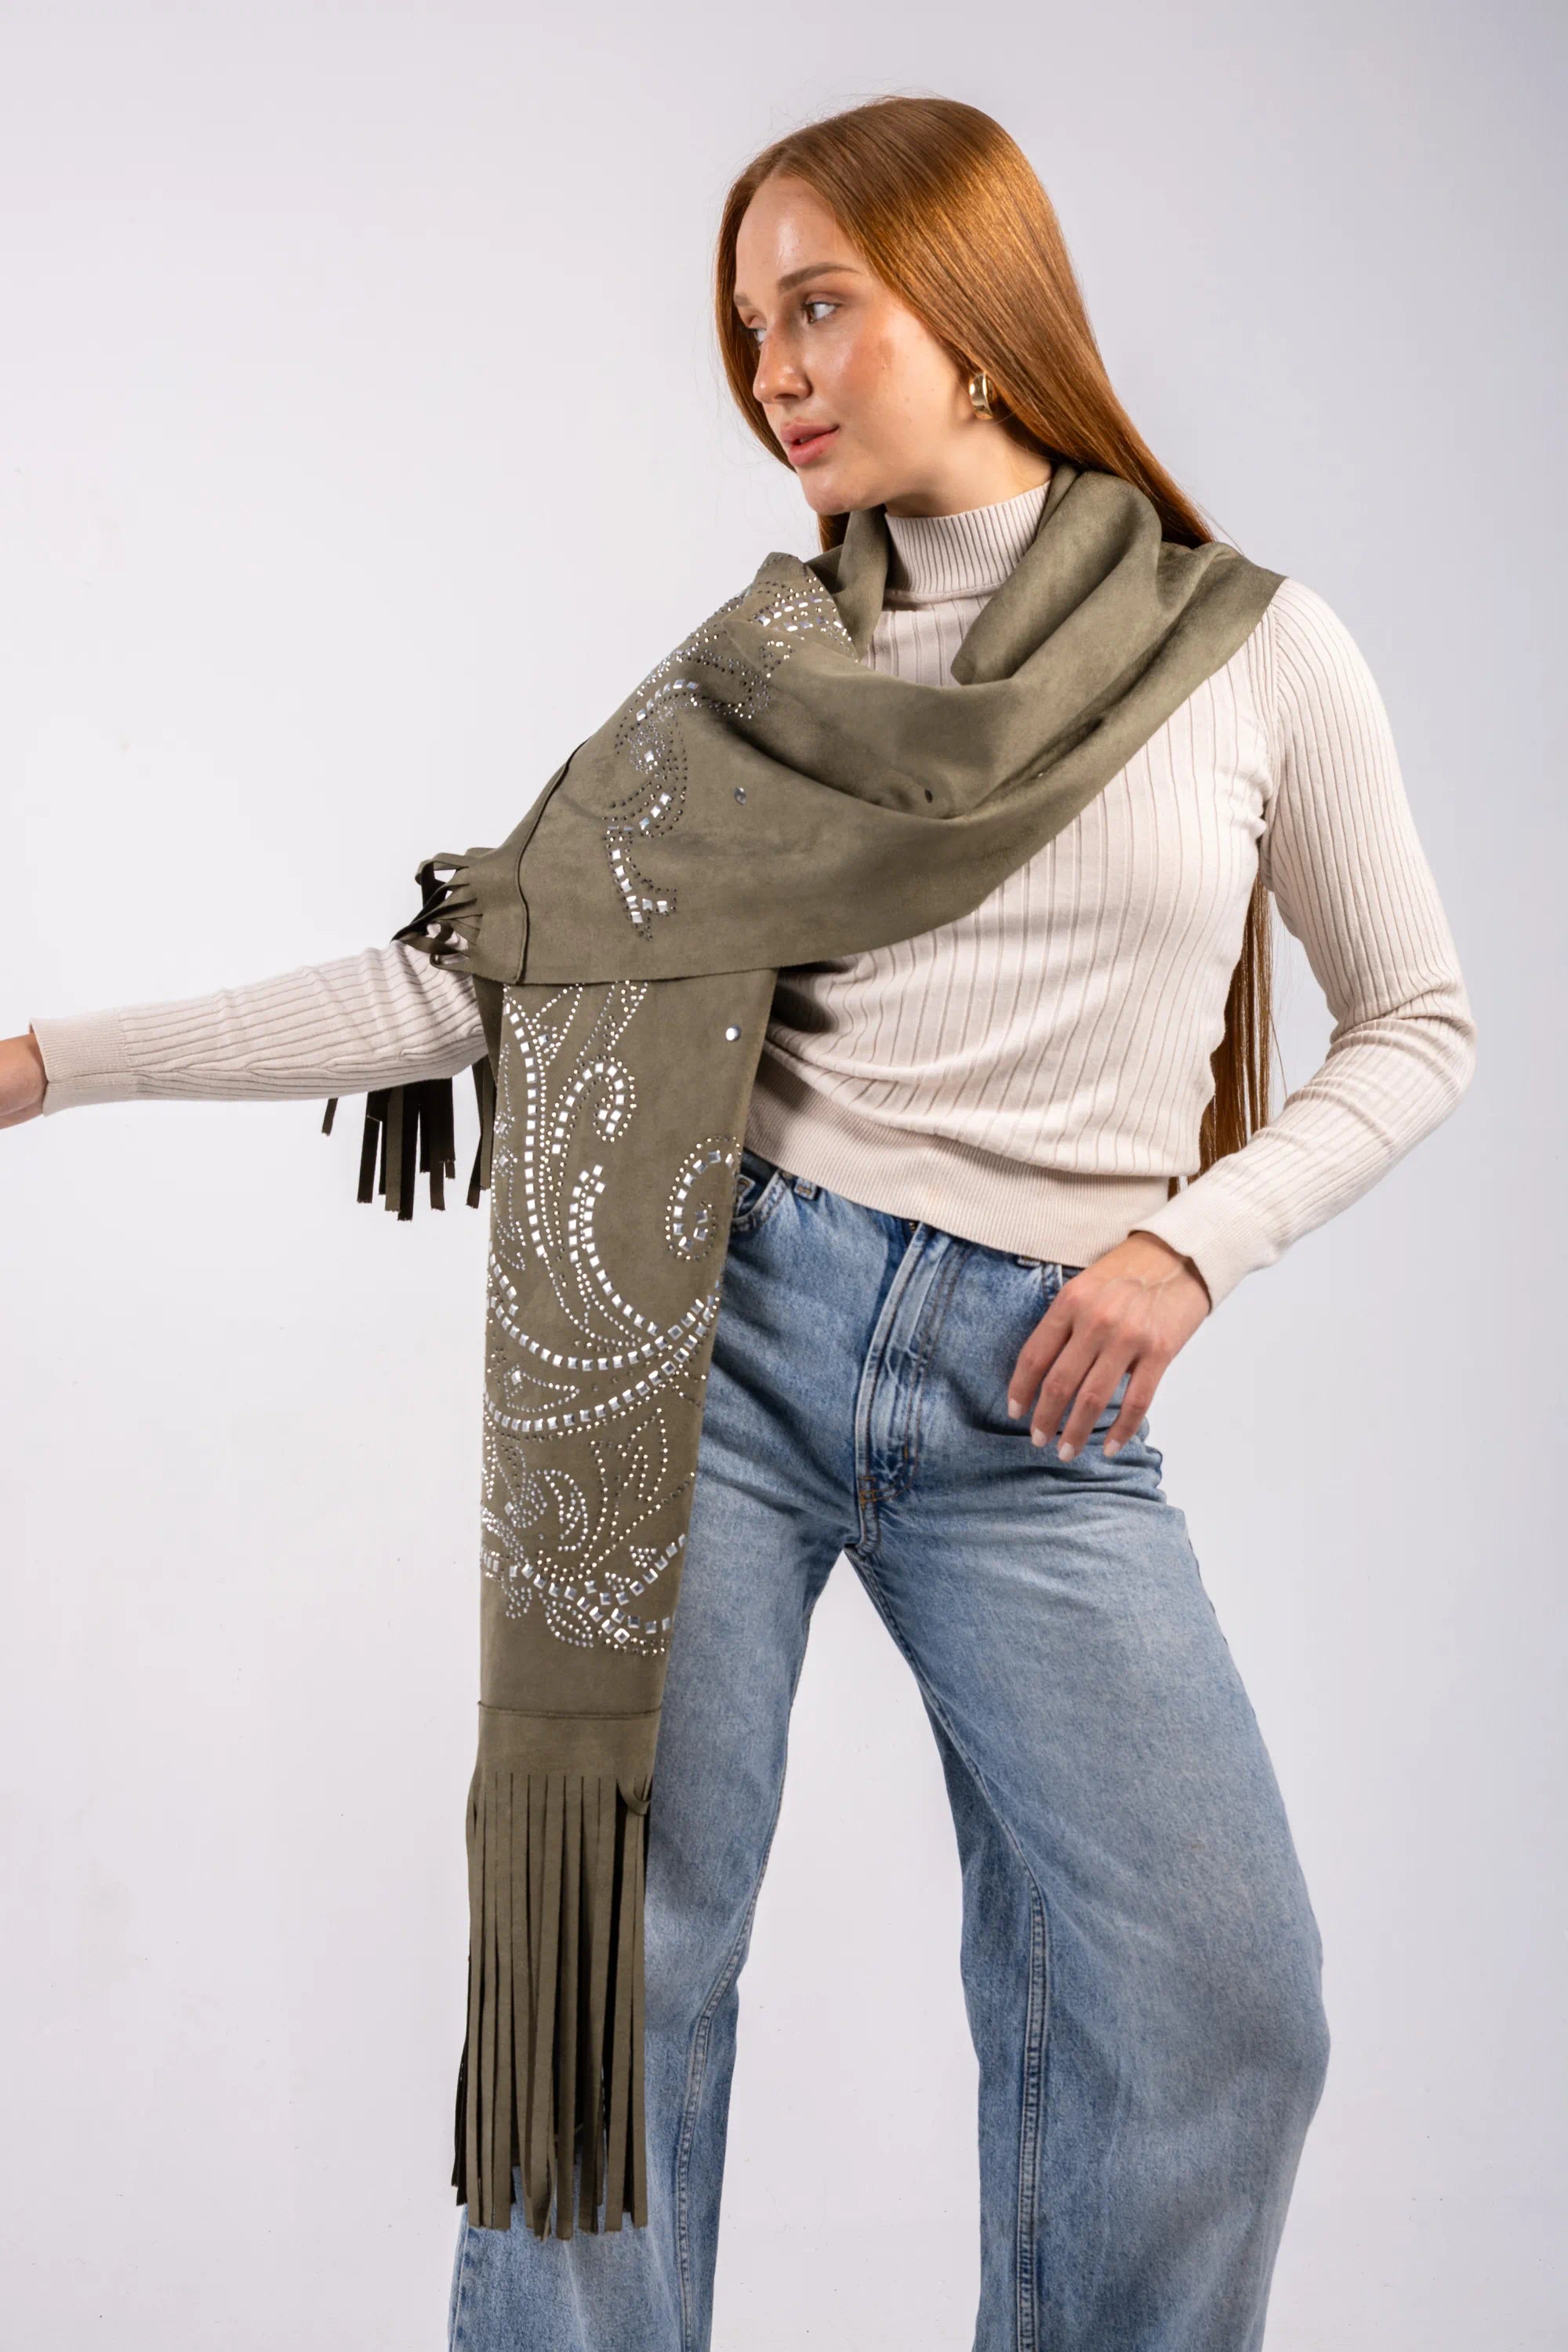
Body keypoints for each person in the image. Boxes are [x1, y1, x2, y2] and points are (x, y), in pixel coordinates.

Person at [1, 95, 1476, 2352]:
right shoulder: (750, 691)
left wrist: (1198, 1241)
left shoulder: (1253, 657)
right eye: (746, 326)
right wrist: (43, 1060)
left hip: (1041, 1396)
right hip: (719, 1344)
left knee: (1218, 2001)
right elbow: (462, 980)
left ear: (976, 317)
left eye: (819, 308)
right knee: (626, 1985)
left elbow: (1418, 1022)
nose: (774, 368)